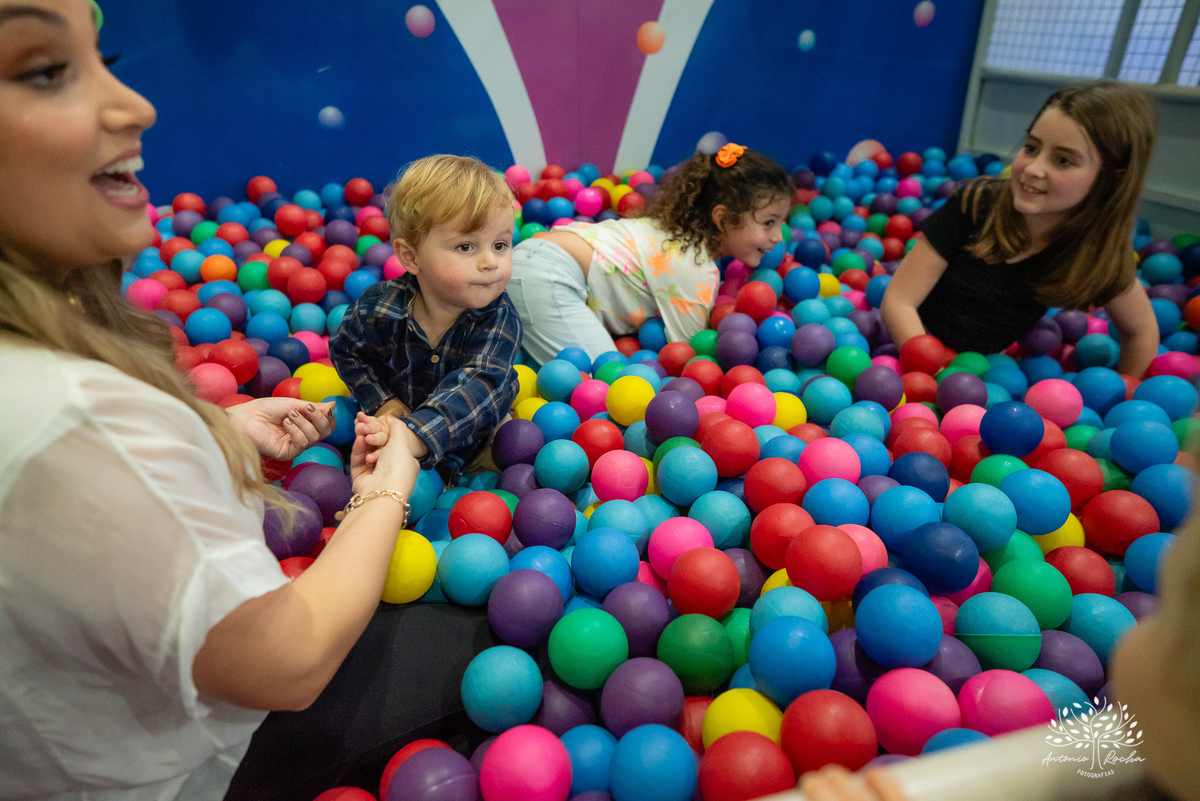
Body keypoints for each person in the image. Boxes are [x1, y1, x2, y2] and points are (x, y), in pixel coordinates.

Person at [0, 1, 421, 797]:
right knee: (462, 637)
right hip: (181, 773)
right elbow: (289, 662)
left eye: (101, 61)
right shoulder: (82, 416)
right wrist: (385, 489)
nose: (137, 106)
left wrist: (211, 427)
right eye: (46, 71)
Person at [880, 81, 1160, 377]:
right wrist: (936, 375)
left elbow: (1141, 331)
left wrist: (1129, 393)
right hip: (909, 349)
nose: (1033, 168)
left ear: (1110, 178)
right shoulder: (976, 205)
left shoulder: (1097, 251)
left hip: (990, 375)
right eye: (1031, 147)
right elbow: (899, 301)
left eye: (1063, 160)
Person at [507, 143, 794, 366]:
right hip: (546, 279)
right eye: (768, 222)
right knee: (607, 384)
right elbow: (685, 354)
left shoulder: (669, 231)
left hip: (530, 260)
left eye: (782, 222)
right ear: (721, 217)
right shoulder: (694, 267)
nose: (779, 236)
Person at [329, 154, 522, 484]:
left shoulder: (499, 318)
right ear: (411, 256)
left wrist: (412, 435)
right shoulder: (378, 309)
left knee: (509, 458)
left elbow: (479, 384)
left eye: (500, 244)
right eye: (466, 247)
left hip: (475, 437)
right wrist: (384, 402)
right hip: (399, 426)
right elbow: (347, 351)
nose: (490, 262)